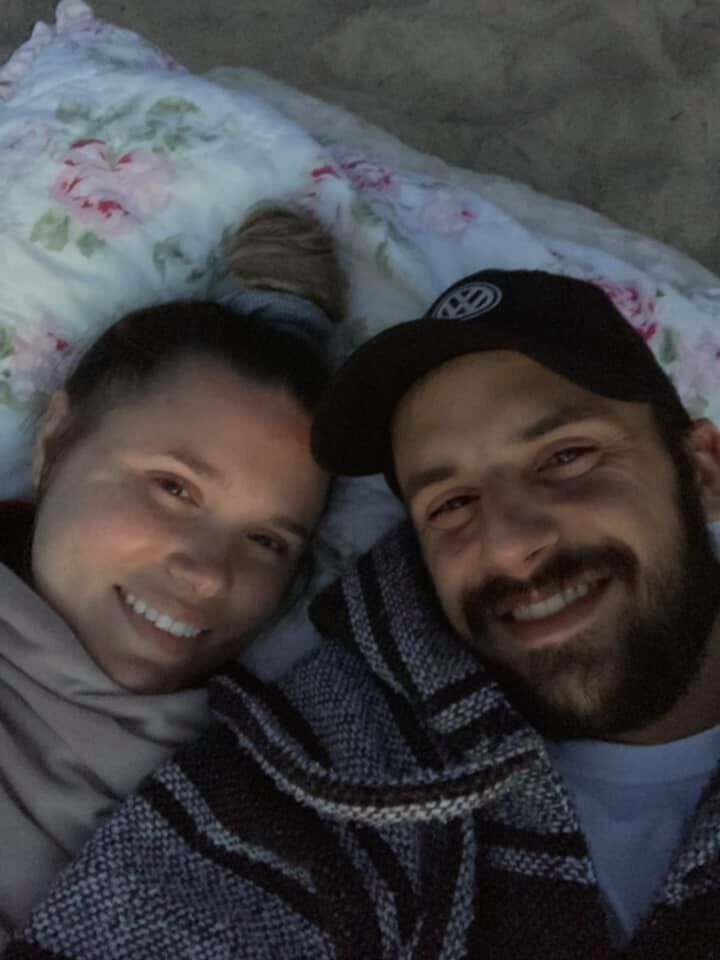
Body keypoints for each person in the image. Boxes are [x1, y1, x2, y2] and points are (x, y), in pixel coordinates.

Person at [6, 270, 720, 960]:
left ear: (704, 473)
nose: (509, 543)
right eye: (450, 504)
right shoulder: (324, 769)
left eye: (566, 457)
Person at [0, 204, 346, 943]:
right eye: (174, 488)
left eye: (266, 541)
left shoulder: (275, 792)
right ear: (56, 439)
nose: (208, 576)